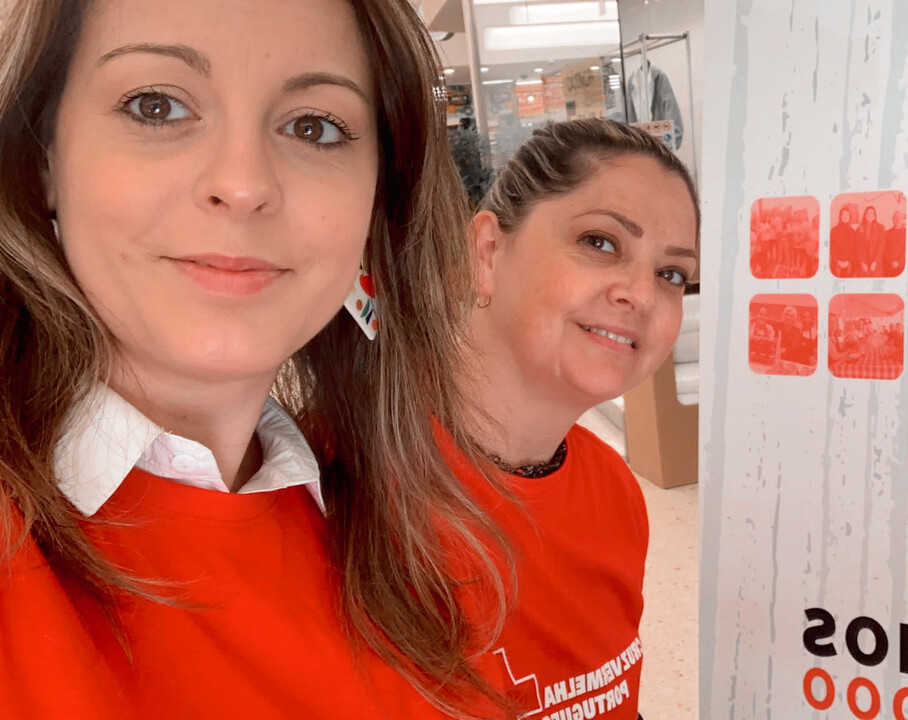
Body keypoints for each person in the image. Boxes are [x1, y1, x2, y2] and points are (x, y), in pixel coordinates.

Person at [0, 0, 511, 717]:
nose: (243, 186)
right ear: (44, 157)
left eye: (314, 126)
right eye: (156, 106)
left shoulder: (417, 527)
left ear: (376, 201)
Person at [463, 119, 699, 720]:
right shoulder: (339, 498)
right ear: (488, 251)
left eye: (672, 274)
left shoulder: (613, 490)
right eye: (600, 242)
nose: (641, 294)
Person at [856, 206, 886, 276]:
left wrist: (875, 262)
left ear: (875, 216)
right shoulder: (859, 228)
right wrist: (862, 262)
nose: (869, 215)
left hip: (876, 262)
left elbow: (881, 246)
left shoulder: (880, 227)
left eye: (872, 213)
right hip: (863, 264)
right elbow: (857, 246)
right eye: (867, 213)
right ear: (865, 215)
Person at [831, 204, 859, 277]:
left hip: (849, 263)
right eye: (843, 215)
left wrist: (848, 261)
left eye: (847, 215)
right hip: (837, 262)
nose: (845, 217)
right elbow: (831, 247)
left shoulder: (853, 232)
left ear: (850, 217)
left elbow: (855, 249)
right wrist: (837, 261)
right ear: (840, 217)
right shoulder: (834, 230)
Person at [885, 210, 908, 276]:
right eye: (895, 218)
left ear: (903, 219)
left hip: (903, 267)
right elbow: (884, 250)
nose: (897, 220)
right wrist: (891, 261)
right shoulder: (887, 233)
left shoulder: (907, 233)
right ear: (892, 219)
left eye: (899, 218)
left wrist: (899, 262)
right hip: (889, 267)